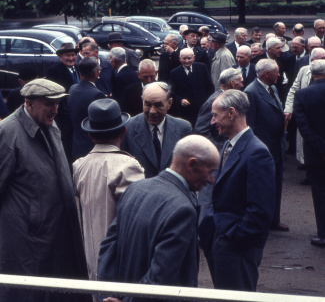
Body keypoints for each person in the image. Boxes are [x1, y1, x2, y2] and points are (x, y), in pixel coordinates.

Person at [98, 135, 220, 301]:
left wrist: (111, 295)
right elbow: (160, 276)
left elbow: (108, 248)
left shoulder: (135, 189)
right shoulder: (183, 210)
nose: (212, 180)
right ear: (191, 164)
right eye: (210, 171)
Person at [0, 79, 90, 302]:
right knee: (30, 291)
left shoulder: (49, 123)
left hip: (55, 228)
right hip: (27, 235)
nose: (55, 109)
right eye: (49, 103)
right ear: (29, 104)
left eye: (57, 103)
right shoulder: (8, 132)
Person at [199, 89, 275, 292]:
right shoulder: (228, 145)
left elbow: (260, 211)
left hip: (237, 248)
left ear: (231, 113)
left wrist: (234, 238)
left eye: (215, 115)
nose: (212, 122)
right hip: (221, 240)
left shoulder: (257, 152)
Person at [73, 98, 144, 280]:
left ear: (90, 135)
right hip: (119, 258)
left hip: (89, 255)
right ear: (124, 132)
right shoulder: (128, 166)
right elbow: (138, 217)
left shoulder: (79, 166)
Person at [244, 59, 288, 231]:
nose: (279, 74)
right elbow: (251, 125)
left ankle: (273, 220)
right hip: (263, 148)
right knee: (262, 187)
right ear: (266, 73)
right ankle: (261, 221)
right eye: (277, 71)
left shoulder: (273, 88)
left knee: (276, 184)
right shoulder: (251, 92)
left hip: (276, 146)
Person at [122, 82, 192, 178]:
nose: (152, 111)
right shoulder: (128, 128)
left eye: (158, 105)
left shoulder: (183, 128)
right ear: (142, 101)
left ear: (169, 103)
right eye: (147, 105)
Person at [294, 59, 325, 247]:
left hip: (315, 154)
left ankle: (323, 234)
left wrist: (321, 149)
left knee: (320, 194)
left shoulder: (302, 94)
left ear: (311, 73)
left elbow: (303, 127)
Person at [194, 67, 244, 150]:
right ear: (232, 83)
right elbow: (201, 130)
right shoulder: (214, 102)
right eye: (241, 82)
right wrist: (218, 149)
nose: (242, 85)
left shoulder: (228, 98)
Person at [46, 42, 80, 163]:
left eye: (73, 55)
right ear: (60, 57)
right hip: (64, 118)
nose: (71, 58)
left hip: (78, 116)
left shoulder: (79, 68)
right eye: (67, 55)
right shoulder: (53, 71)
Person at [68, 57, 106, 160]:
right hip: (92, 149)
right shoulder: (97, 94)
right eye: (99, 70)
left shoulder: (72, 89)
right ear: (95, 73)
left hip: (76, 146)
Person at [169, 48, 214, 126]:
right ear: (180, 58)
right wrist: (180, 100)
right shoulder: (174, 73)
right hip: (185, 111)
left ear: (194, 57)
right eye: (184, 58)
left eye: (189, 58)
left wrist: (208, 103)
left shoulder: (202, 68)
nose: (187, 61)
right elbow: (171, 92)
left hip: (202, 108)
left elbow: (210, 87)